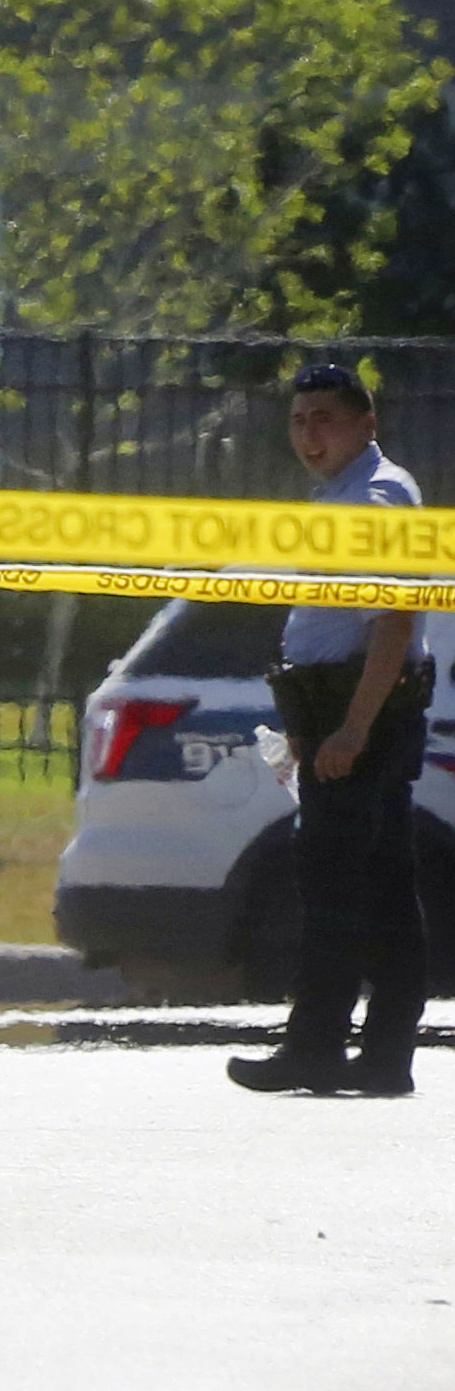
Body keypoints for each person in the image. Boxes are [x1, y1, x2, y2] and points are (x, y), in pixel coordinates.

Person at [230, 364, 433, 1098]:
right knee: (380, 885)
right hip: (348, 714)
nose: (308, 434)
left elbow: (391, 627)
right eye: (298, 420)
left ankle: (316, 1043)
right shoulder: (348, 495)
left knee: (332, 885)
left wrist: (351, 729)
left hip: (360, 717)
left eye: (325, 418)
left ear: (365, 424)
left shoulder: (374, 500)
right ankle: (383, 1056)